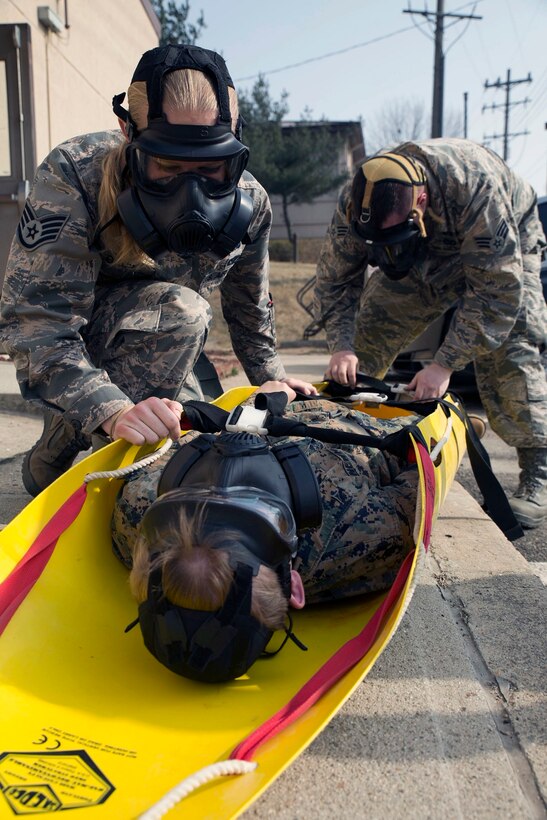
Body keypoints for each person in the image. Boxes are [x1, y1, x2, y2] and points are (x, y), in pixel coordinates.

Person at [0, 44, 315, 498]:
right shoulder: (76, 175)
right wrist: (108, 409)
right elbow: (36, 325)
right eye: (168, 166)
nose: (192, 190)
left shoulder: (252, 203)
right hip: (86, 344)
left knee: (198, 441)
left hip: (172, 346)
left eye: (211, 167)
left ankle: (105, 439)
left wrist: (273, 376)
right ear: (127, 133)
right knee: (182, 314)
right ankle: (60, 442)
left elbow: (250, 308)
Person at [111, 381, 420, 683]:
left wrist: (262, 397)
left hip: (273, 400)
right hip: (353, 423)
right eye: (249, 526)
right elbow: (419, 472)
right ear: (296, 588)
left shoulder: (135, 510)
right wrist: (271, 395)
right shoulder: (352, 535)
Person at [312, 139, 547, 529]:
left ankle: (537, 476)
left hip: (504, 244)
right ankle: (346, 445)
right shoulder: (356, 202)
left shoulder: (474, 186)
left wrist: (444, 364)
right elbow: (335, 283)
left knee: (512, 343)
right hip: (424, 245)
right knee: (371, 323)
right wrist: (341, 347)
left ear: (420, 199)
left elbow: (496, 293)